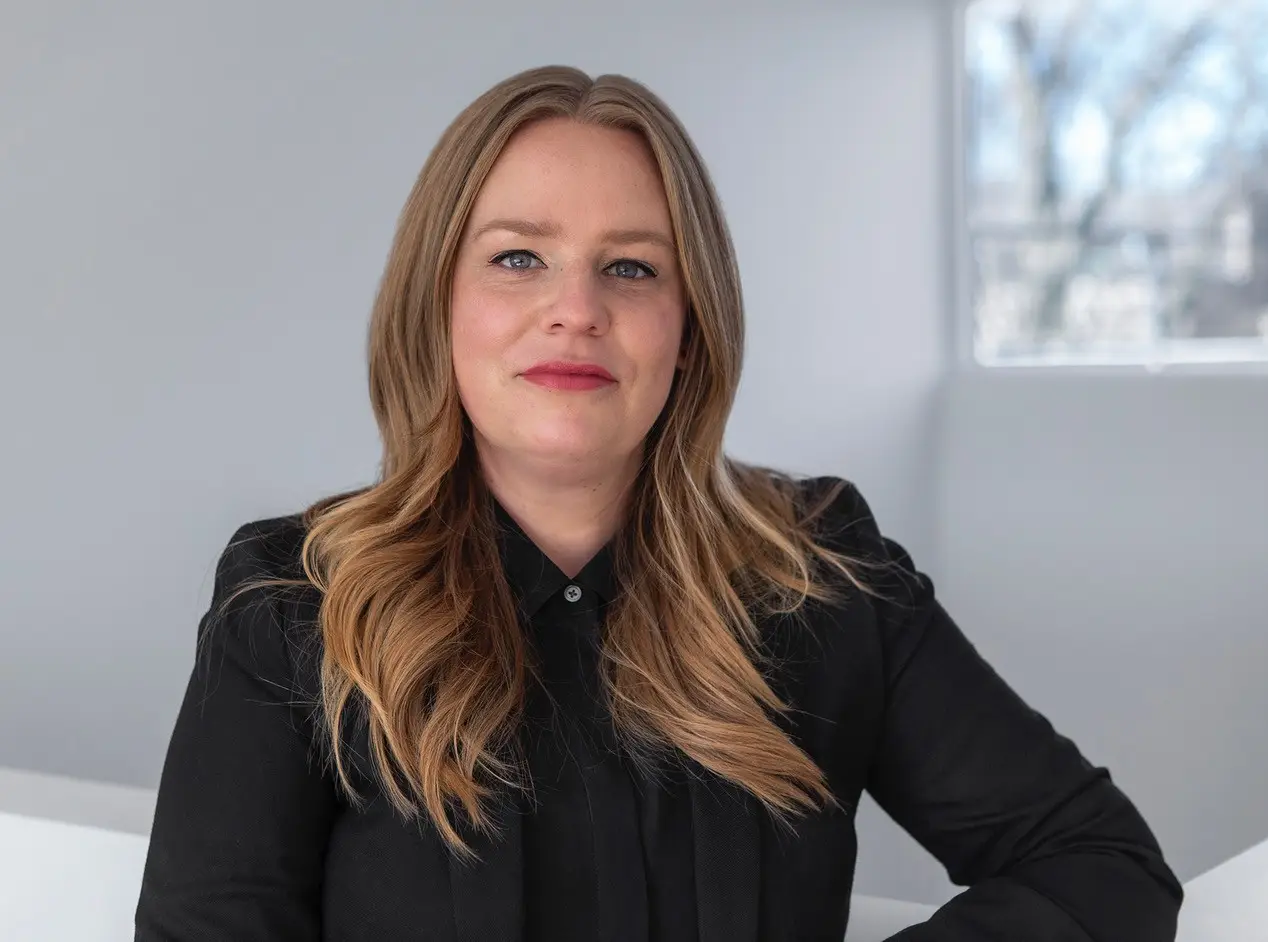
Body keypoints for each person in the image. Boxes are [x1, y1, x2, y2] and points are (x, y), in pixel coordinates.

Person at [134, 65, 1182, 941]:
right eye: (517, 259)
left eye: (631, 268)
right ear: (435, 304)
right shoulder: (294, 606)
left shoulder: (824, 579)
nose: (575, 310)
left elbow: (1098, 862)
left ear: (688, 331)